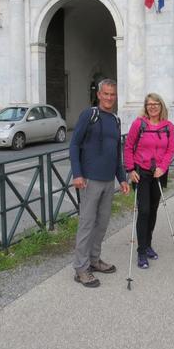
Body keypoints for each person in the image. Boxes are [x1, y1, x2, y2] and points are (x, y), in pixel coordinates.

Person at [69, 79, 130, 288]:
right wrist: (77, 173)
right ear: (99, 94)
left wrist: (122, 178)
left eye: (112, 94)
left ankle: (94, 260)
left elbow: (116, 153)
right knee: (86, 224)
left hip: (108, 181)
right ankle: (81, 268)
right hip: (89, 180)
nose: (109, 98)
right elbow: (74, 144)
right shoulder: (90, 115)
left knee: (102, 224)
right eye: (106, 94)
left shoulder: (115, 119)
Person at [123, 93, 174, 270]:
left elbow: (170, 150)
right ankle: (141, 251)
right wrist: (130, 169)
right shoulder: (139, 124)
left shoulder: (167, 126)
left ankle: (148, 243)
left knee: (153, 209)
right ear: (145, 107)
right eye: (149, 104)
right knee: (144, 210)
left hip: (159, 173)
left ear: (161, 106)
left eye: (156, 104)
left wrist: (163, 167)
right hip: (141, 172)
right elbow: (129, 146)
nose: (152, 107)